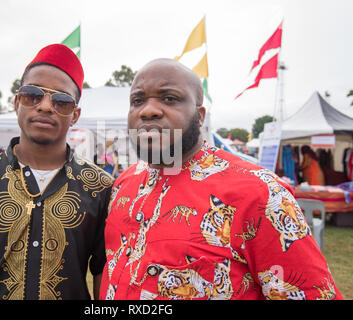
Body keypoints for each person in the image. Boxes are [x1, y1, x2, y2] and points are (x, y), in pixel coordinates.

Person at [99, 58, 342, 300]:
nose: (147, 110)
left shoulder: (261, 193)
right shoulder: (123, 186)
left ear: (200, 115)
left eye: (169, 98)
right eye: (137, 101)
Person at [0, 44, 114, 300]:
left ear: (75, 115)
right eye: (33, 95)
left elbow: (103, 275)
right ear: (17, 102)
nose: (46, 106)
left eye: (61, 101)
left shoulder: (99, 187)